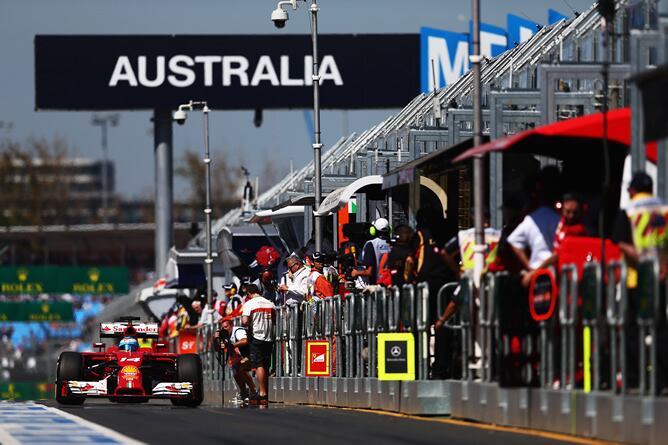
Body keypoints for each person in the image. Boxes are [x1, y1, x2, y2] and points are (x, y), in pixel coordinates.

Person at [612, 171, 668, 391]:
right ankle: (663, 378)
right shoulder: (663, 208)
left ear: (632, 190)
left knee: (633, 328)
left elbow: (621, 242)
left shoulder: (628, 210)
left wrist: (644, 260)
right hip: (661, 276)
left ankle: (634, 377)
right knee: (661, 326)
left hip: (636, 278)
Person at [520, 193, 588, 287]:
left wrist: (534, 272)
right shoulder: (561, 223)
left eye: (575, 213)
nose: (571, 216)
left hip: (570, 276)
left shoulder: (578, 229)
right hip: (557, 274)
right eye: (568, 212)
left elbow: (557, 255)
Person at [507, 168, 561, 285]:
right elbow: (559, 252)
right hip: (554, 273)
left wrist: (531, 267)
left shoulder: (531, 218)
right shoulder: (559, 219)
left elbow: (513, 240)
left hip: (536, 275)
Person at [241, 284, 275, 406]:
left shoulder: (249, 304)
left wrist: (248, 322)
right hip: (269, 337)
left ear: (249, 294)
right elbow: (275, 320)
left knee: (259, 365)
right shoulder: (270, 303)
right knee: (266, 365)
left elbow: (244, 322)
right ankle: (265, 391)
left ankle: (262, 393)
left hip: (257, 336)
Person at [215, 318, 256, 404]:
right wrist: (217, 339)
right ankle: (244, 393)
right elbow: (217, 349)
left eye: (226, 327)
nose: (224, 329)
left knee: (241, 368)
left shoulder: (238, 331)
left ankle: (253, 391)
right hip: (242, 355)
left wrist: (232, 345)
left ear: (231, 326)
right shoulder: (225, 335)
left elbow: (245, 341)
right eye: (223, 328)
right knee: (235, 370)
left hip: (252, 353)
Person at [351, 218, 392, 286]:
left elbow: (369, 272)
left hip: (377, 286)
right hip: (390, 284)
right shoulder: (393, 243)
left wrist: (356, 272)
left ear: (373, 230)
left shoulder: (371, 244)